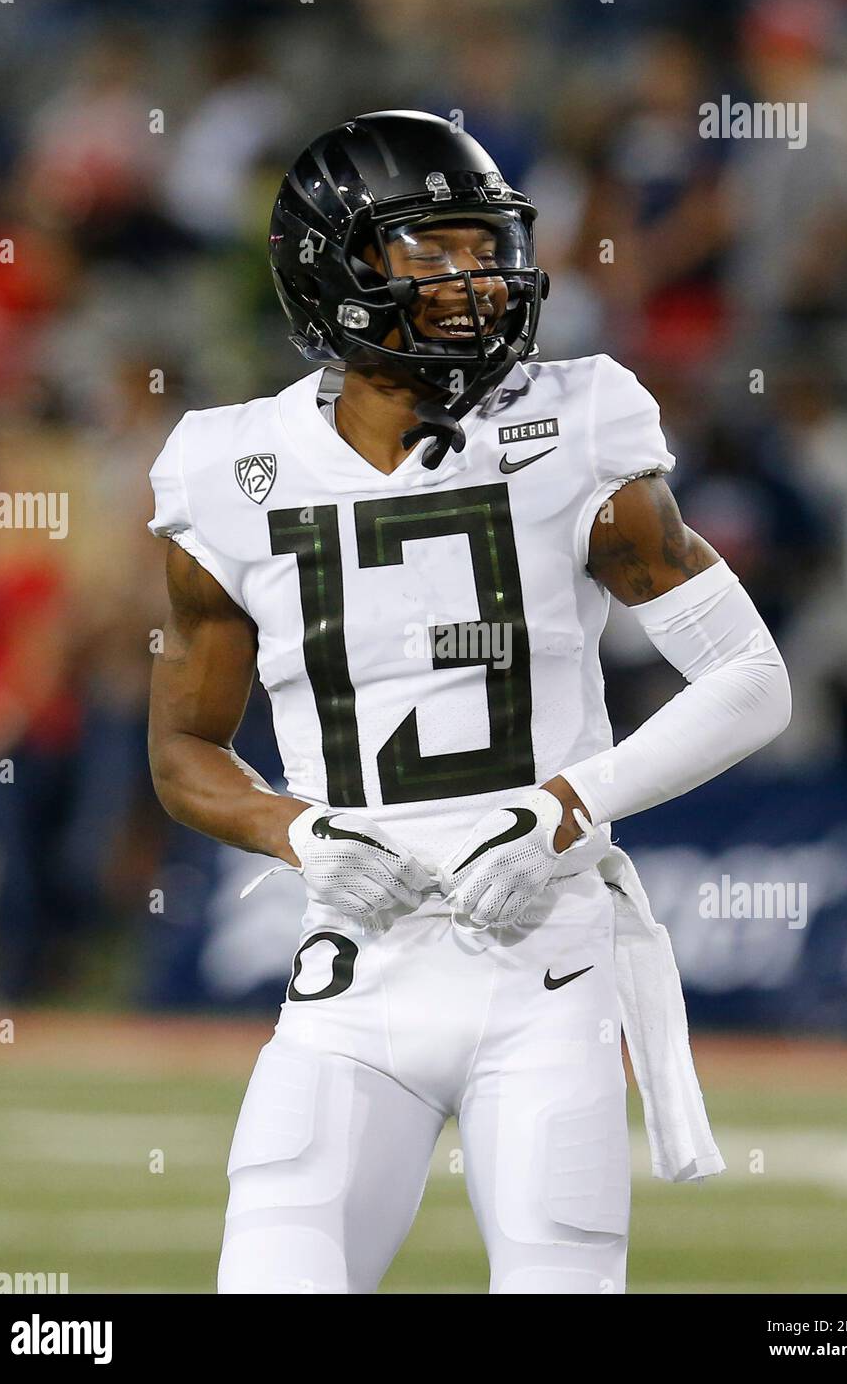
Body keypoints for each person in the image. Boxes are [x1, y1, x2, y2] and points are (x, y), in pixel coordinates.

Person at [146, 110, 791, 1294]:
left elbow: (753, 682)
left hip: (545, 974)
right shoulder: (225, 470)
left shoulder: (578, 421)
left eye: (485, 244)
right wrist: (292, 830)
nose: (476, 279)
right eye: (430, 250)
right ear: (330, 269)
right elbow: (184, 746)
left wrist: (568, 807)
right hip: (351, 979)